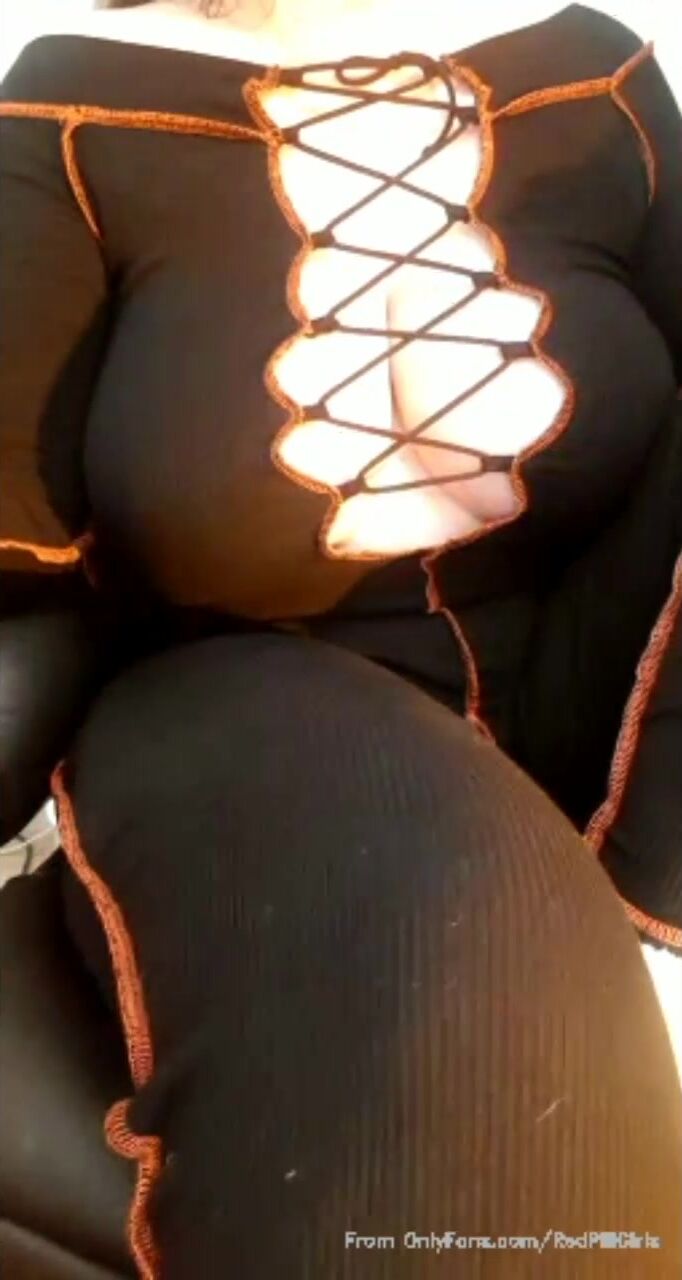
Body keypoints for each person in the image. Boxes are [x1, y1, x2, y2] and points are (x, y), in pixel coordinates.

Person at [1, 1, 682, 1274]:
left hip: (607, 701)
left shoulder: (597, 74)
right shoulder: (72, 110)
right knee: (481, 1002)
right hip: (253, 708)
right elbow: (14, 549)